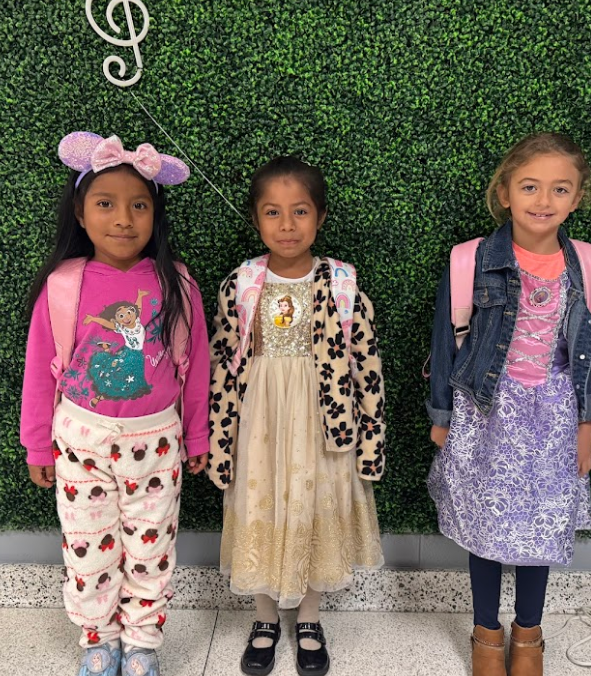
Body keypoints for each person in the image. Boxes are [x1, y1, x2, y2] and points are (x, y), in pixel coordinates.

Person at [427, 133, 591, 676]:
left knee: (541, 529)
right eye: (530, 186)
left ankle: (528, 635)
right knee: (485, 526)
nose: (543, 199)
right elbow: (445, 341)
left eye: (560, 189)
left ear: (577, 197)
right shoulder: (471, 261)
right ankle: (486, 632)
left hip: (555, 417)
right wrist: (442, 419)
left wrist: (587, 426)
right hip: (485, 412)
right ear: (505, 192)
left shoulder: (589, 265)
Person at [20, 132, 210, 676]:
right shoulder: (63, 285)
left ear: (156, 215)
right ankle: (98, 640)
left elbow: (195, 369)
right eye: (106, 204)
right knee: (88, 547)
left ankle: (143, 643)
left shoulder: (177, 285)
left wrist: (196, 436)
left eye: (139, 205)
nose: (123, 218)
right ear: (81, 214)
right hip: (80, 441)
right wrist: (37, 442)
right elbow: (40, 369)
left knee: (151, 550)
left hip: (157, 442)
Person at [207, 156, 386, 676]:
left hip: (321, 423)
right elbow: (222, 363)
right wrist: (220, 437)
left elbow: (366, 363)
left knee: (311, 505)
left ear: (321, 217)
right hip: (259, 421)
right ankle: (264, 617)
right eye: (272, 212)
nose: (286, 225)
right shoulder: (240, 284)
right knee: (259, 501)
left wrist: (371, 433)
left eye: (300, 211)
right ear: (256, 219)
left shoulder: (343, 284)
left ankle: (308, 617)